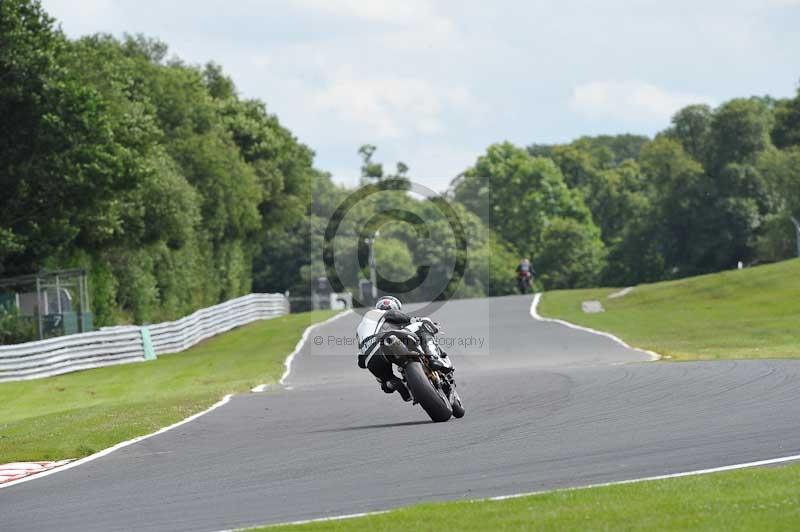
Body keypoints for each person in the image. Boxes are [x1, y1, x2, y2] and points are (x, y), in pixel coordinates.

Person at [355, 296, 450, 401]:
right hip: (385, 340)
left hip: (370, 359)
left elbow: (361, 363)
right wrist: (412, 319)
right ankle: (433, 358)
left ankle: (400, 388)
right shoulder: (376, 313)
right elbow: (393, 315)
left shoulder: (362, 328)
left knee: (387, 384)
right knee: (422, 324)